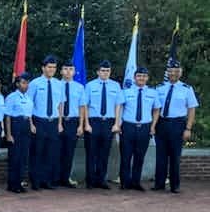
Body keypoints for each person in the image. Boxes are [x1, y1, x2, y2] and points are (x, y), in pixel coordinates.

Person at [153, 59, 199, 193]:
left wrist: (188, 128)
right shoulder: (159, 87)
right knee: (160, 155)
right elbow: (155, 108)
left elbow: (191, 109)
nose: (173, 73)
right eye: (171, 71)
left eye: (176, 71)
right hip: (161, 123)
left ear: (180, 73)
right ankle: (159, 184)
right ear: (167, 72)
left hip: (178, 124)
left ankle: (175, 185)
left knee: (175, 156)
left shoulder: (187, 89)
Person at [83, 60, 123, 189]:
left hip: (109, 122)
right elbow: (85, 105)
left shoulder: (116, 86)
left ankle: (101, 180)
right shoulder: (90, 85)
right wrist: (86, 124)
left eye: (107, 71)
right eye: (103, 70)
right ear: (98, 72)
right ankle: (90, 180)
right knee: (91, 153)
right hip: (93, 122)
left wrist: (116, 123)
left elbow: (118, 105)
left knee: (104, 153)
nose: (105, 73)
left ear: (110, 72)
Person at [118, 67, 160, 191]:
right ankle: (125, 182)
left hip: (144, 128)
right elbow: (120, 108)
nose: (141, 78)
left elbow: (156, 110)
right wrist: (118, 124)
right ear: (134, 77)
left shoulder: (153, 93)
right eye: (139, 76)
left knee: (139, 157)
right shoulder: (126, 91)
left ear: (147, 78)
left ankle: (136, 182)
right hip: (128, 127)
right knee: (125, 156)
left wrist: (153, 126)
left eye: (144, 76)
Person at [27, 55, 65, 190]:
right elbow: (29, 104)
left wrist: (60, 123)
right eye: (49, 67)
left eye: (54, 67)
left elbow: (60, 105)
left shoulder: (59, 84)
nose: (52, 70)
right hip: (39, 121)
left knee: (51, 152)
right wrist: (31, 123)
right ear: (43, 68)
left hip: (53, 122)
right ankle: (35, 181)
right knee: (37, 151)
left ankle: (47, 181)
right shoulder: (35, 83)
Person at [4, 72, 33, 193]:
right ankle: (12, 184)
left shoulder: (28, 97)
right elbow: (8, 117)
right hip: (16, 124)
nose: (26, 85)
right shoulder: (12, 97)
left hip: (26, 126)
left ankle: (19, 182)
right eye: (23, 83)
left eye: (27, 83)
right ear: (17, 84)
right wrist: (9, 134)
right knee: (15, 156)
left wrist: (31, 125)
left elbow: (29, 114)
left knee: (23, 156)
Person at [58, 60, 85, 187]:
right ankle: (54, 178)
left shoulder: (79, 87)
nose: (68, 72)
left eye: (71, 69)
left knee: (69, 152)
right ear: (61, 71)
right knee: (55, 150)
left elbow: (82, 107)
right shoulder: (56, 85)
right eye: (65, 69)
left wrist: (80, 125)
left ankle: (65, 178)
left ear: (74, 72)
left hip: (73, 122)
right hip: (58, 121)